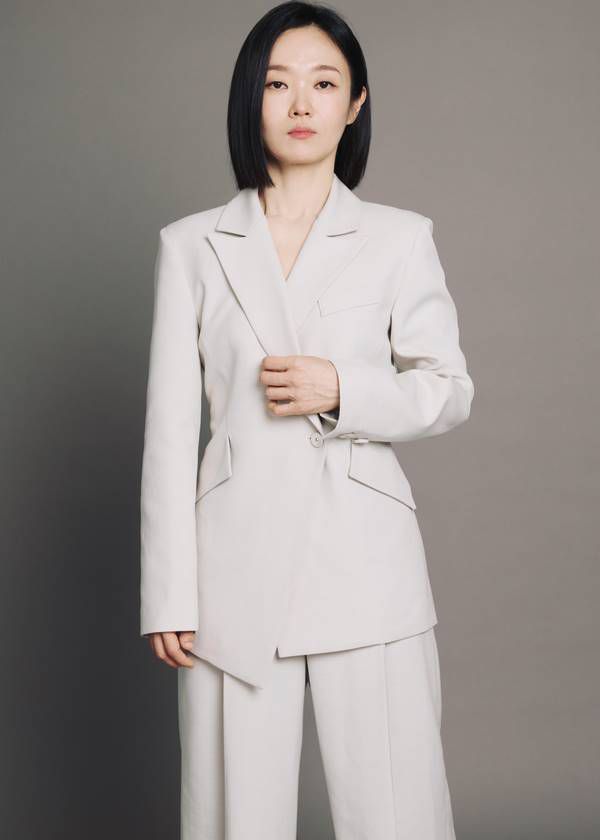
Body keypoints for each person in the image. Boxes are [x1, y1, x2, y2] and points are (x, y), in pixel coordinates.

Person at [139, 2, 474, 838]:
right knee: (233, 817)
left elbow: (448, 389)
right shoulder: (192, 246)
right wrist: (167, 593)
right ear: (250, 98)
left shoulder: (400, 239)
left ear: (354, 104)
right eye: (277, 84)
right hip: (231, 570)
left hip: (367, 563)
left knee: (397, 812)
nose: (300, 104)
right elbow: (170, 434)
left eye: (324, 84)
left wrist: (343, 388)